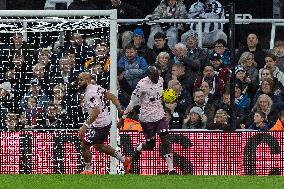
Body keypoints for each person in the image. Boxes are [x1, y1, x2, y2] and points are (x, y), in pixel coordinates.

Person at [124, 66, 176, 175]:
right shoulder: (142, 85)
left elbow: (163, 94)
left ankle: (171, 170)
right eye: (154, 76)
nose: (157, 78)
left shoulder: (161, 80)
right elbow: (133, 101)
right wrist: (124, 114)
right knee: (150, 145)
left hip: (159, 115)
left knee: (165, 139)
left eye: (157, 75)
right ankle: (139, 147)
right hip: (146, 118)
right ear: (149, 75)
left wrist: (167, 99)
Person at [77, 72, 131, 174]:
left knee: (84, 145)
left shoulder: (90, 93)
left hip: (99, 124)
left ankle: (88, 170)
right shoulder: (96, 87)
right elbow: (111, 96)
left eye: (81, 80)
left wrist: (85, 125)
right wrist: (119, 109)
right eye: (78, 80)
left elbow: (96, 111)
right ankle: (125, 160)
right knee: (99, 146)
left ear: (87, 80)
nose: (79, 82)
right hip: (105, 121)